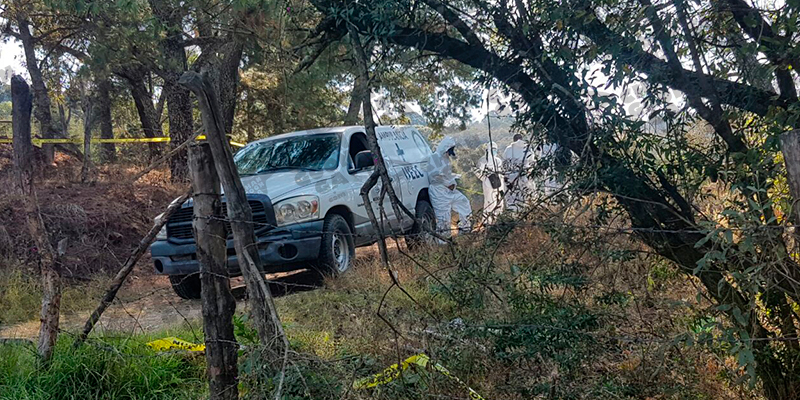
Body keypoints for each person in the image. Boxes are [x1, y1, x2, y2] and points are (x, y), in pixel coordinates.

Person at [426, 136, 472, 239]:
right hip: (438, 191)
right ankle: (444, 240)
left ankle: (465, 229)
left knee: (464, 202)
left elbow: (446, 174)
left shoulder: (446, 158)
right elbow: (435, 176)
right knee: (443, 217)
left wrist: (452, 179)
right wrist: (448, 183)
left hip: (449, 190)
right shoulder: (434, 157)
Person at [502, 133, 534, 212]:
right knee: (524, 195)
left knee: (511, 197)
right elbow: (532, 161)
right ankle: (524, 213)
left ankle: (513, 214)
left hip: (511, 177)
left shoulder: (509, 149)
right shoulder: (528, 149)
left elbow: (504, 163)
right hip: (524, 176)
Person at [476, 142, 505, 225]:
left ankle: (497, 222)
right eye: (492, 149)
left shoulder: (498, 160)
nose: (494, 151)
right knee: (489, 204)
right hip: (488, 186)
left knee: (500, 203)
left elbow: (502, 172)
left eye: (495, 149)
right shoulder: (483, 160)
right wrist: (485, 179)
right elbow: (478, 172)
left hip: (499, 185)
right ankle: (486, 223)